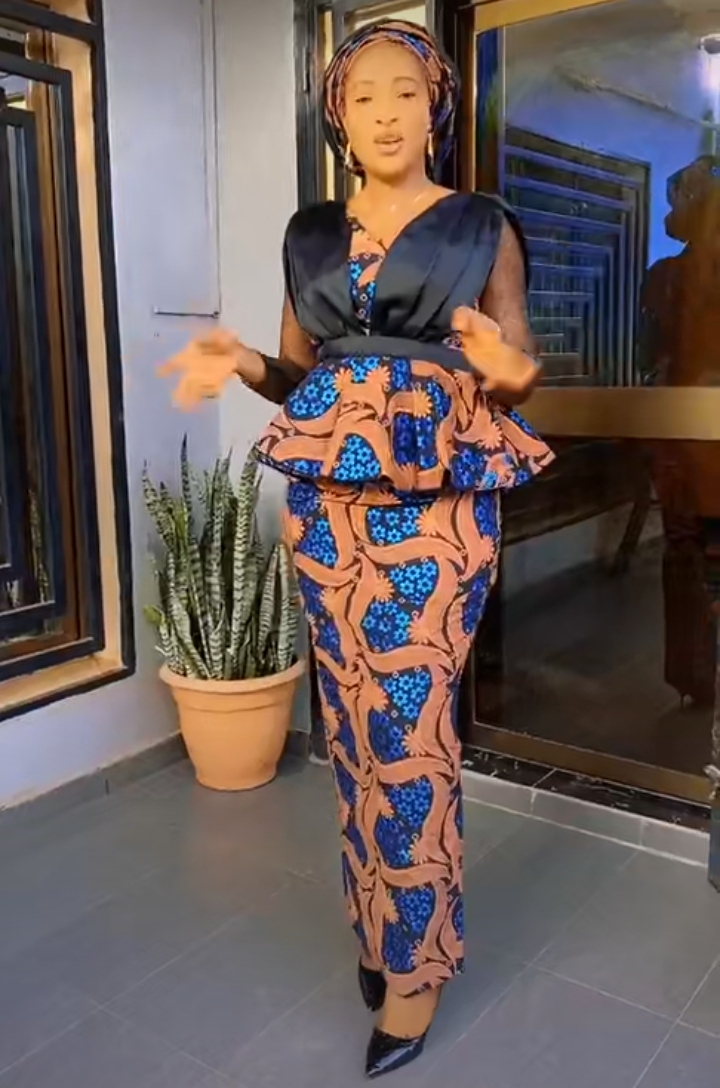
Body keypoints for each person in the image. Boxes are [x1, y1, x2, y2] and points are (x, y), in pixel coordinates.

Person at [161, 18, 553, 1079]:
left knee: (412, 732)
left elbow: (520, 367)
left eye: (404, 93)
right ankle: (379, 921)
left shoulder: (481, 225)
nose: (385, 113)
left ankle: (418, 968)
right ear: (338, 115)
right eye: (364, 95)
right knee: (351, 725)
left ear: (436, 108)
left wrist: (507, 370)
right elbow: (307, 379)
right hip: (328, 508)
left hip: (439, 507)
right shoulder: (309, 237)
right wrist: (245, 360)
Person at [639, 155, 720, 708]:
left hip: (681, 440)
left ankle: (696, 678)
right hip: (684, 442)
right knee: (693, 551)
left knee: (687, 550)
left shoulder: (665, 278)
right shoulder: (667, 278)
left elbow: (650, 358)